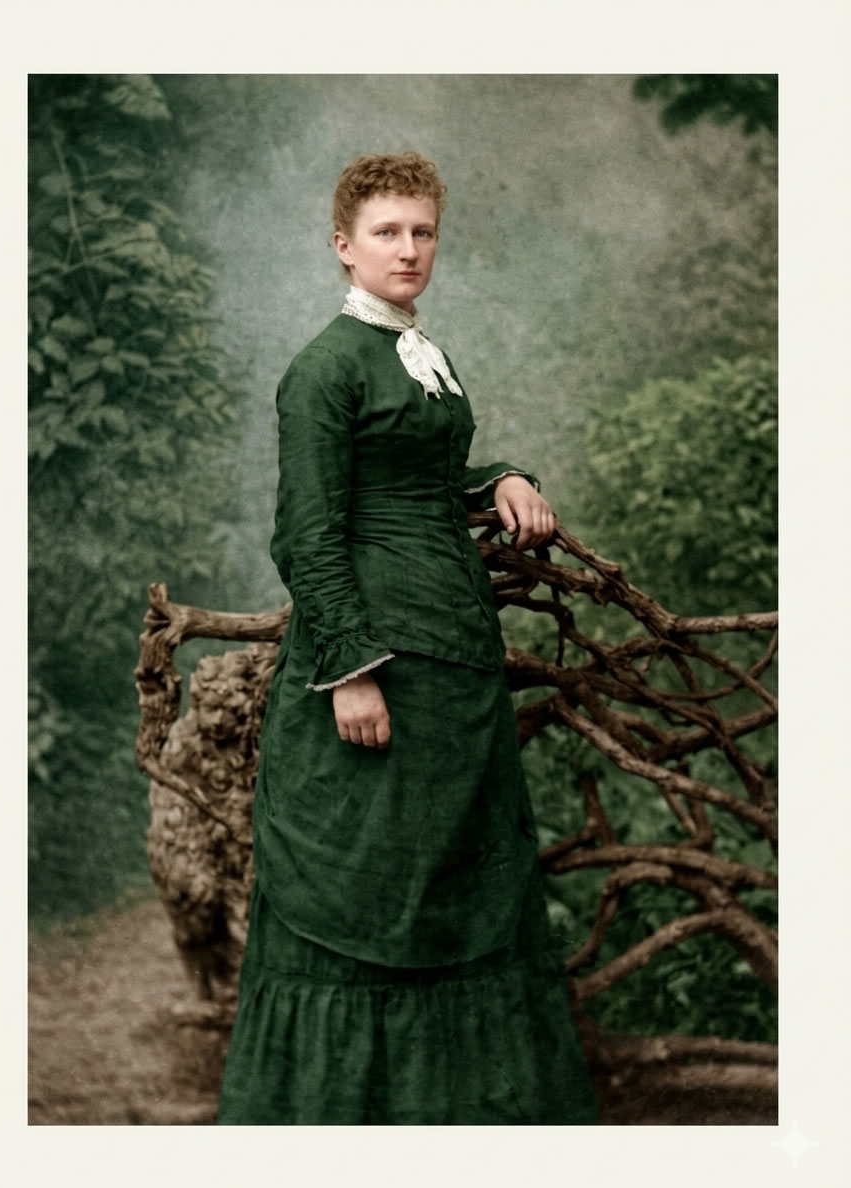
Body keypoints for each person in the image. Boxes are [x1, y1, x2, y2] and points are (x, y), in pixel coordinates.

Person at [217, 151, 598, 1124]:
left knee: (457, 884)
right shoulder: (322, 370)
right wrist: (349, 671)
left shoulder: (424, 356)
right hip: (375, 663)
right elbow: (307, 532)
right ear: (342, 247)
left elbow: (425, 474)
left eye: (422, 231)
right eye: (386, 232)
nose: (408, 249)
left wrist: (502, 476)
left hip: (455, 664)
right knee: (369, 887)